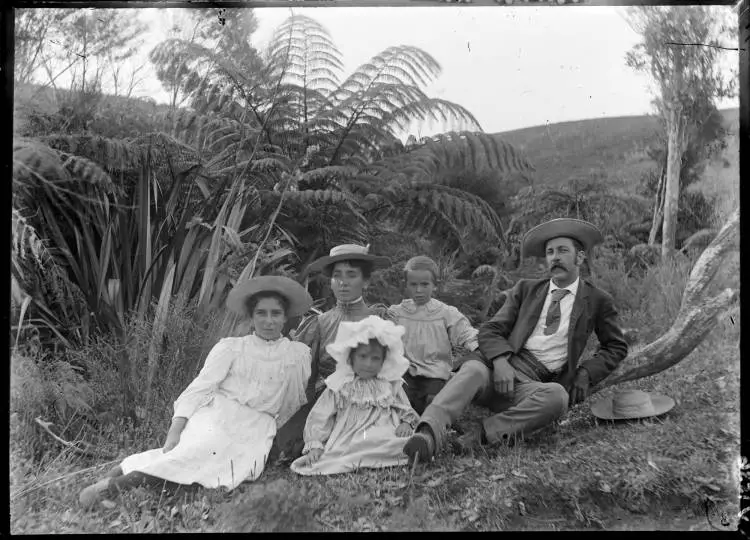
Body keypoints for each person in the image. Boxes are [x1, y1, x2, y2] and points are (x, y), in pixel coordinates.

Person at [403, 218, 629, 463]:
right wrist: (501, 362)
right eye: (550, 252)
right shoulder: (526, 290)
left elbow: (615, 346)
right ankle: (427, 434)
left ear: (580, 257)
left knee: (557, 397)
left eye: (563, 251)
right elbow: (491, 329)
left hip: (530, 384)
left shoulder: (597, 300)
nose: (555, 257)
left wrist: (586, 372)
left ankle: (478, 437)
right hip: (495, 370)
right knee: (472, 371)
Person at [79, 276, 313, 508]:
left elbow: (291, 401)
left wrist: (270, 432)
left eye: (276, 313)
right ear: (251, 317)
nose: (268, 321)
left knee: (224, 477)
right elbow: (200, 388)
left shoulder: (297, 355)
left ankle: (122, 475)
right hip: (218, 416)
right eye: (261, 313)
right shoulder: (231, 348)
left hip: (257, 428)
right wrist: (175, 430)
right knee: (197, 450)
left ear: (285, 317)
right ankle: (111, 487)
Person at [271, 244, 397, 461]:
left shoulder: (380, 319)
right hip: (328, 399)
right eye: (337, 275)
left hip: (371, 399)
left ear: (365, 281)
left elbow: (394, 370)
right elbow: (307, 378)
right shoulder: (320, 323)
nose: (343, 282)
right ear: (330, 281)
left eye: (351, 275)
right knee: (289, 445)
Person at [290, 316, 419, 475]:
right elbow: (320, 416)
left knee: (396, 442)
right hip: (351, 433)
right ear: (350, 358)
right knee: (352, 447)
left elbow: (404, 406)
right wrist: (315, 445)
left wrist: (406, 422)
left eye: (375, 358)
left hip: (383, 428)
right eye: (362, 356)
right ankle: (364, 457)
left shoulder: (389, 384)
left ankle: (387, 452)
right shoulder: (340, 385)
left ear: (383, 361)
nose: (368, 364)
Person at [390, 255, 479, 415]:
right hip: (405, 372)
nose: (419, 290)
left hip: (435, 373)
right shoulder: (397, 313)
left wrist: (480, 347)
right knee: (401, 403)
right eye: (413, 284)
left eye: (424, 284)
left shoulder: (445, 313)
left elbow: (466, 334)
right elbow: (379, 332)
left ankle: (433, 431)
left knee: (433, 405)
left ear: (434, 286)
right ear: (406, 285)